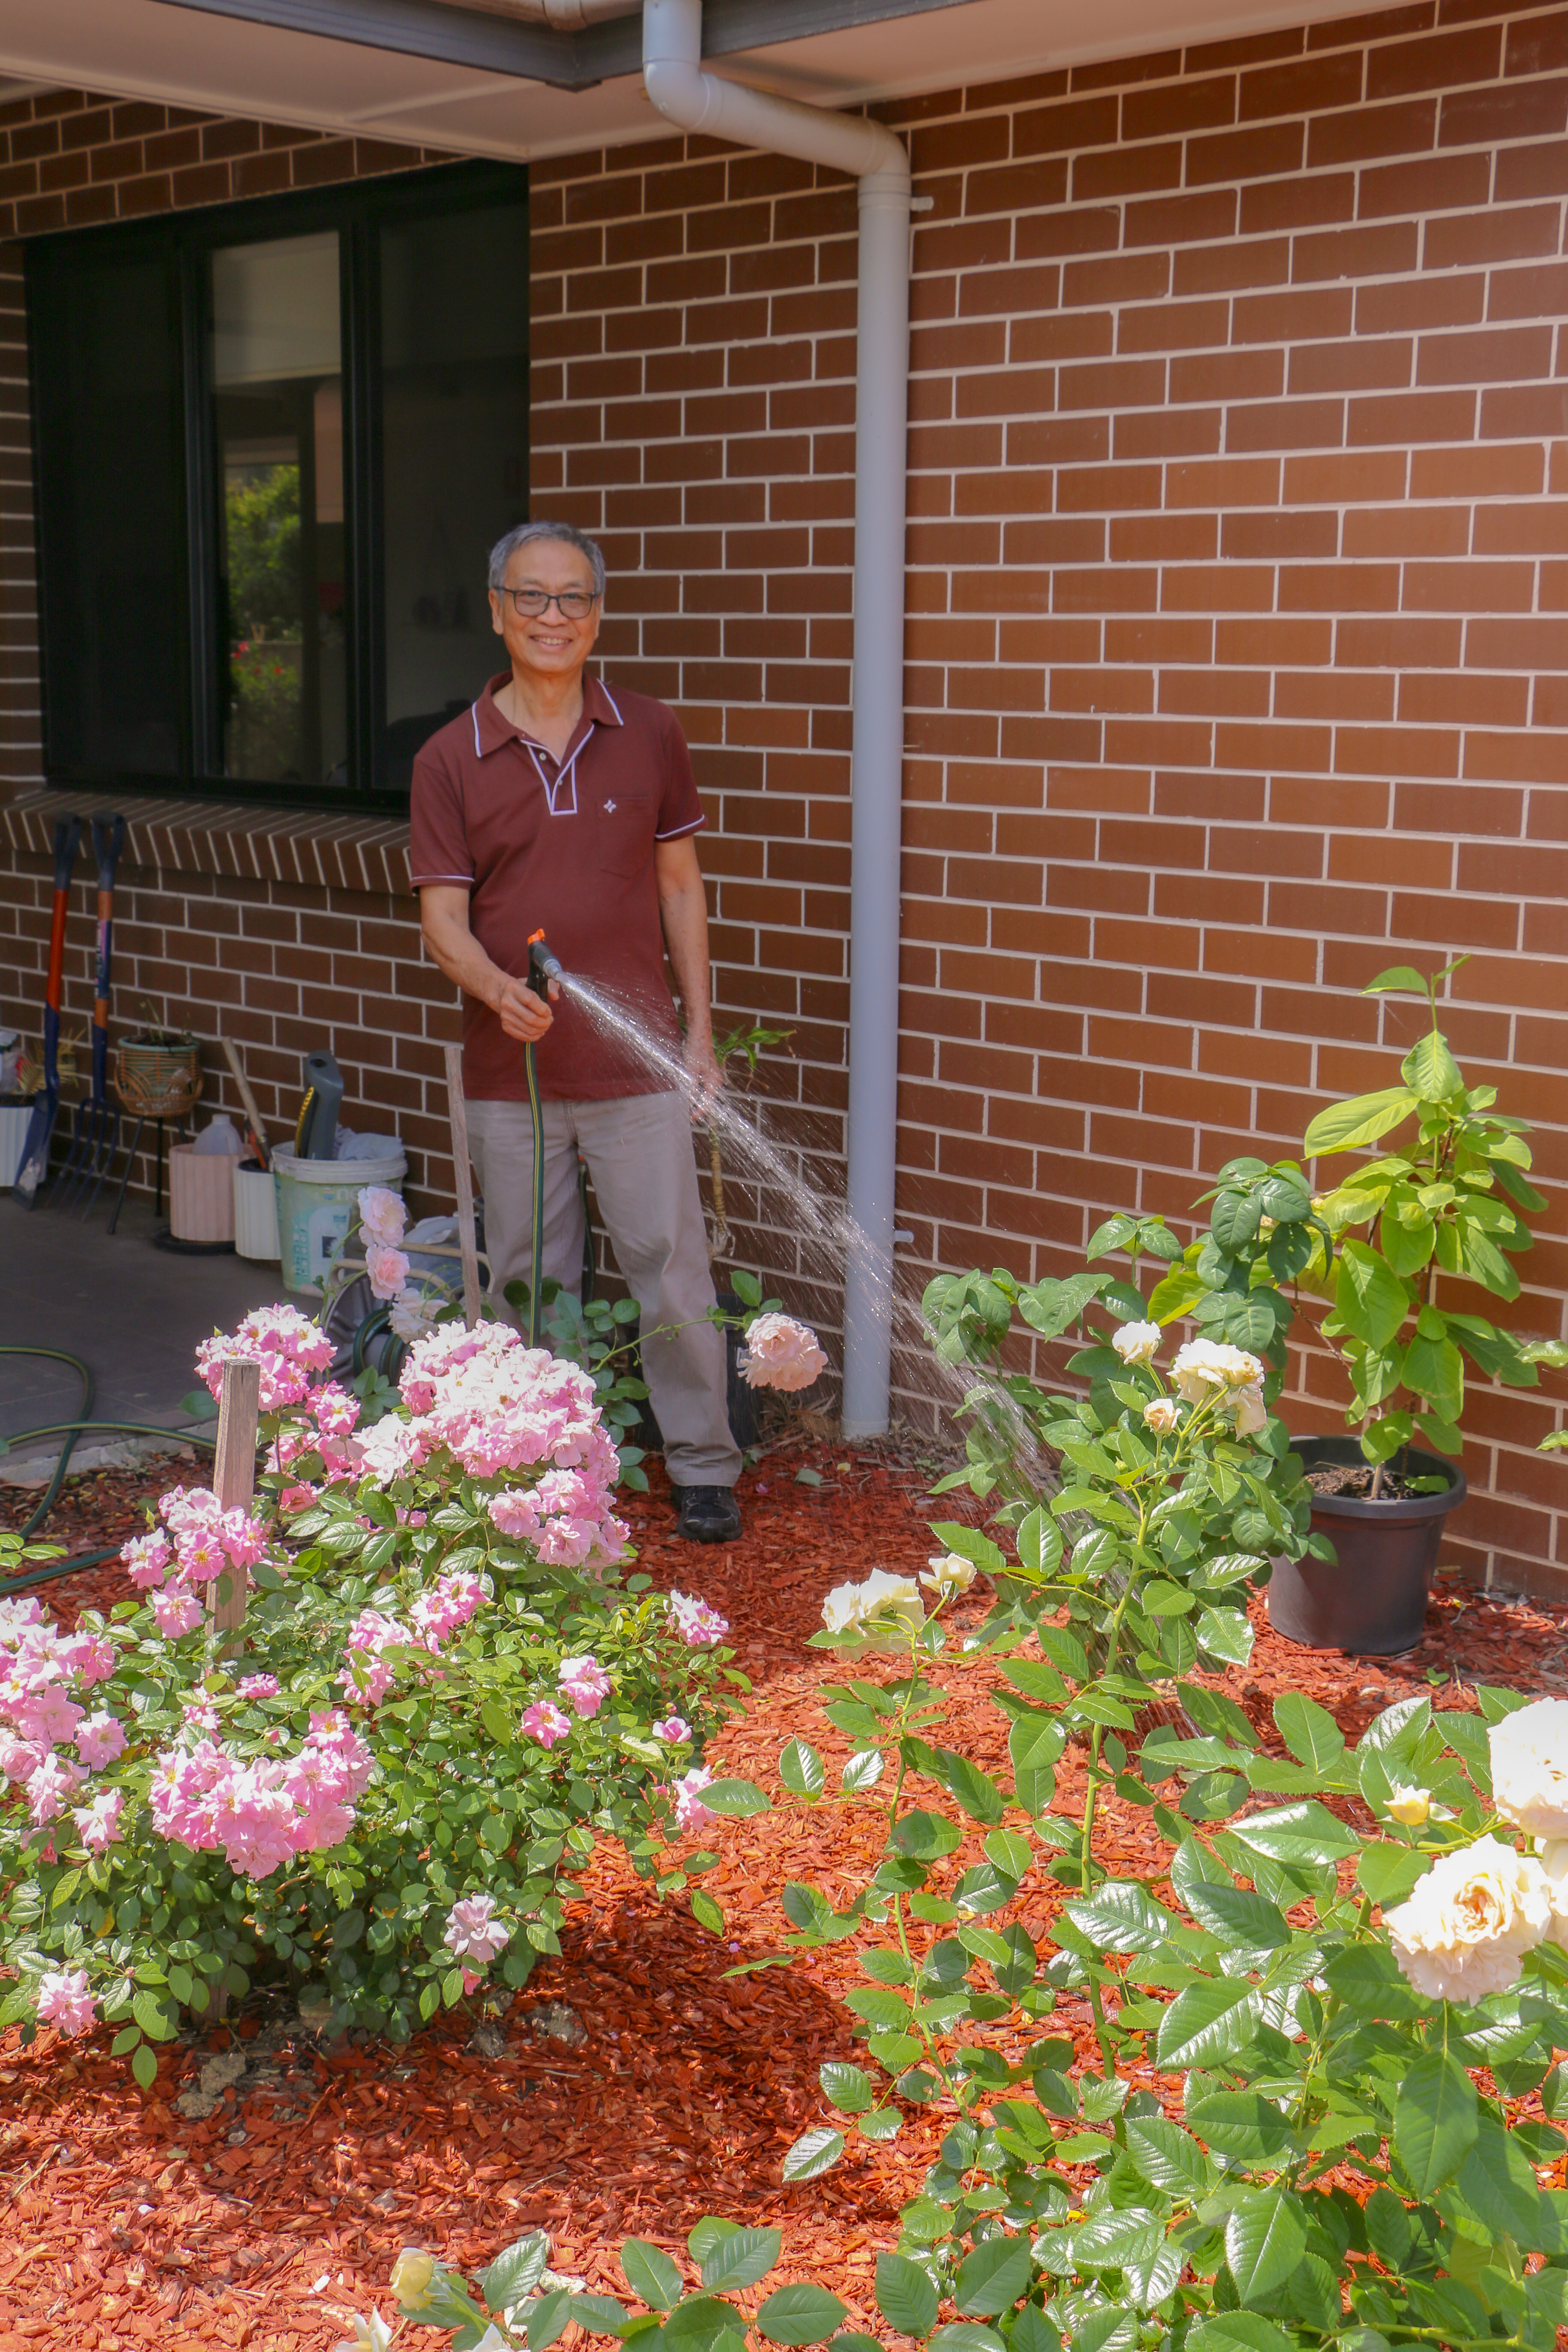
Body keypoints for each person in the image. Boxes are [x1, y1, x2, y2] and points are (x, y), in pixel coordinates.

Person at [409, 518, 743, 1544]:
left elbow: (680, 887)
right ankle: (541, 1466)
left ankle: (701, 1465)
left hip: (636, 1064)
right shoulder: (450, 757)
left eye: (575, 599)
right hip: (515, 1077)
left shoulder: (649, 732)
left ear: (598, 616)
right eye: (534, 597)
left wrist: (698, 1033)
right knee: (525, 1275)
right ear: (499, 610)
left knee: (670, 1267)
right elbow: (442, 921)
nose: (555, 617)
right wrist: (492, 986)